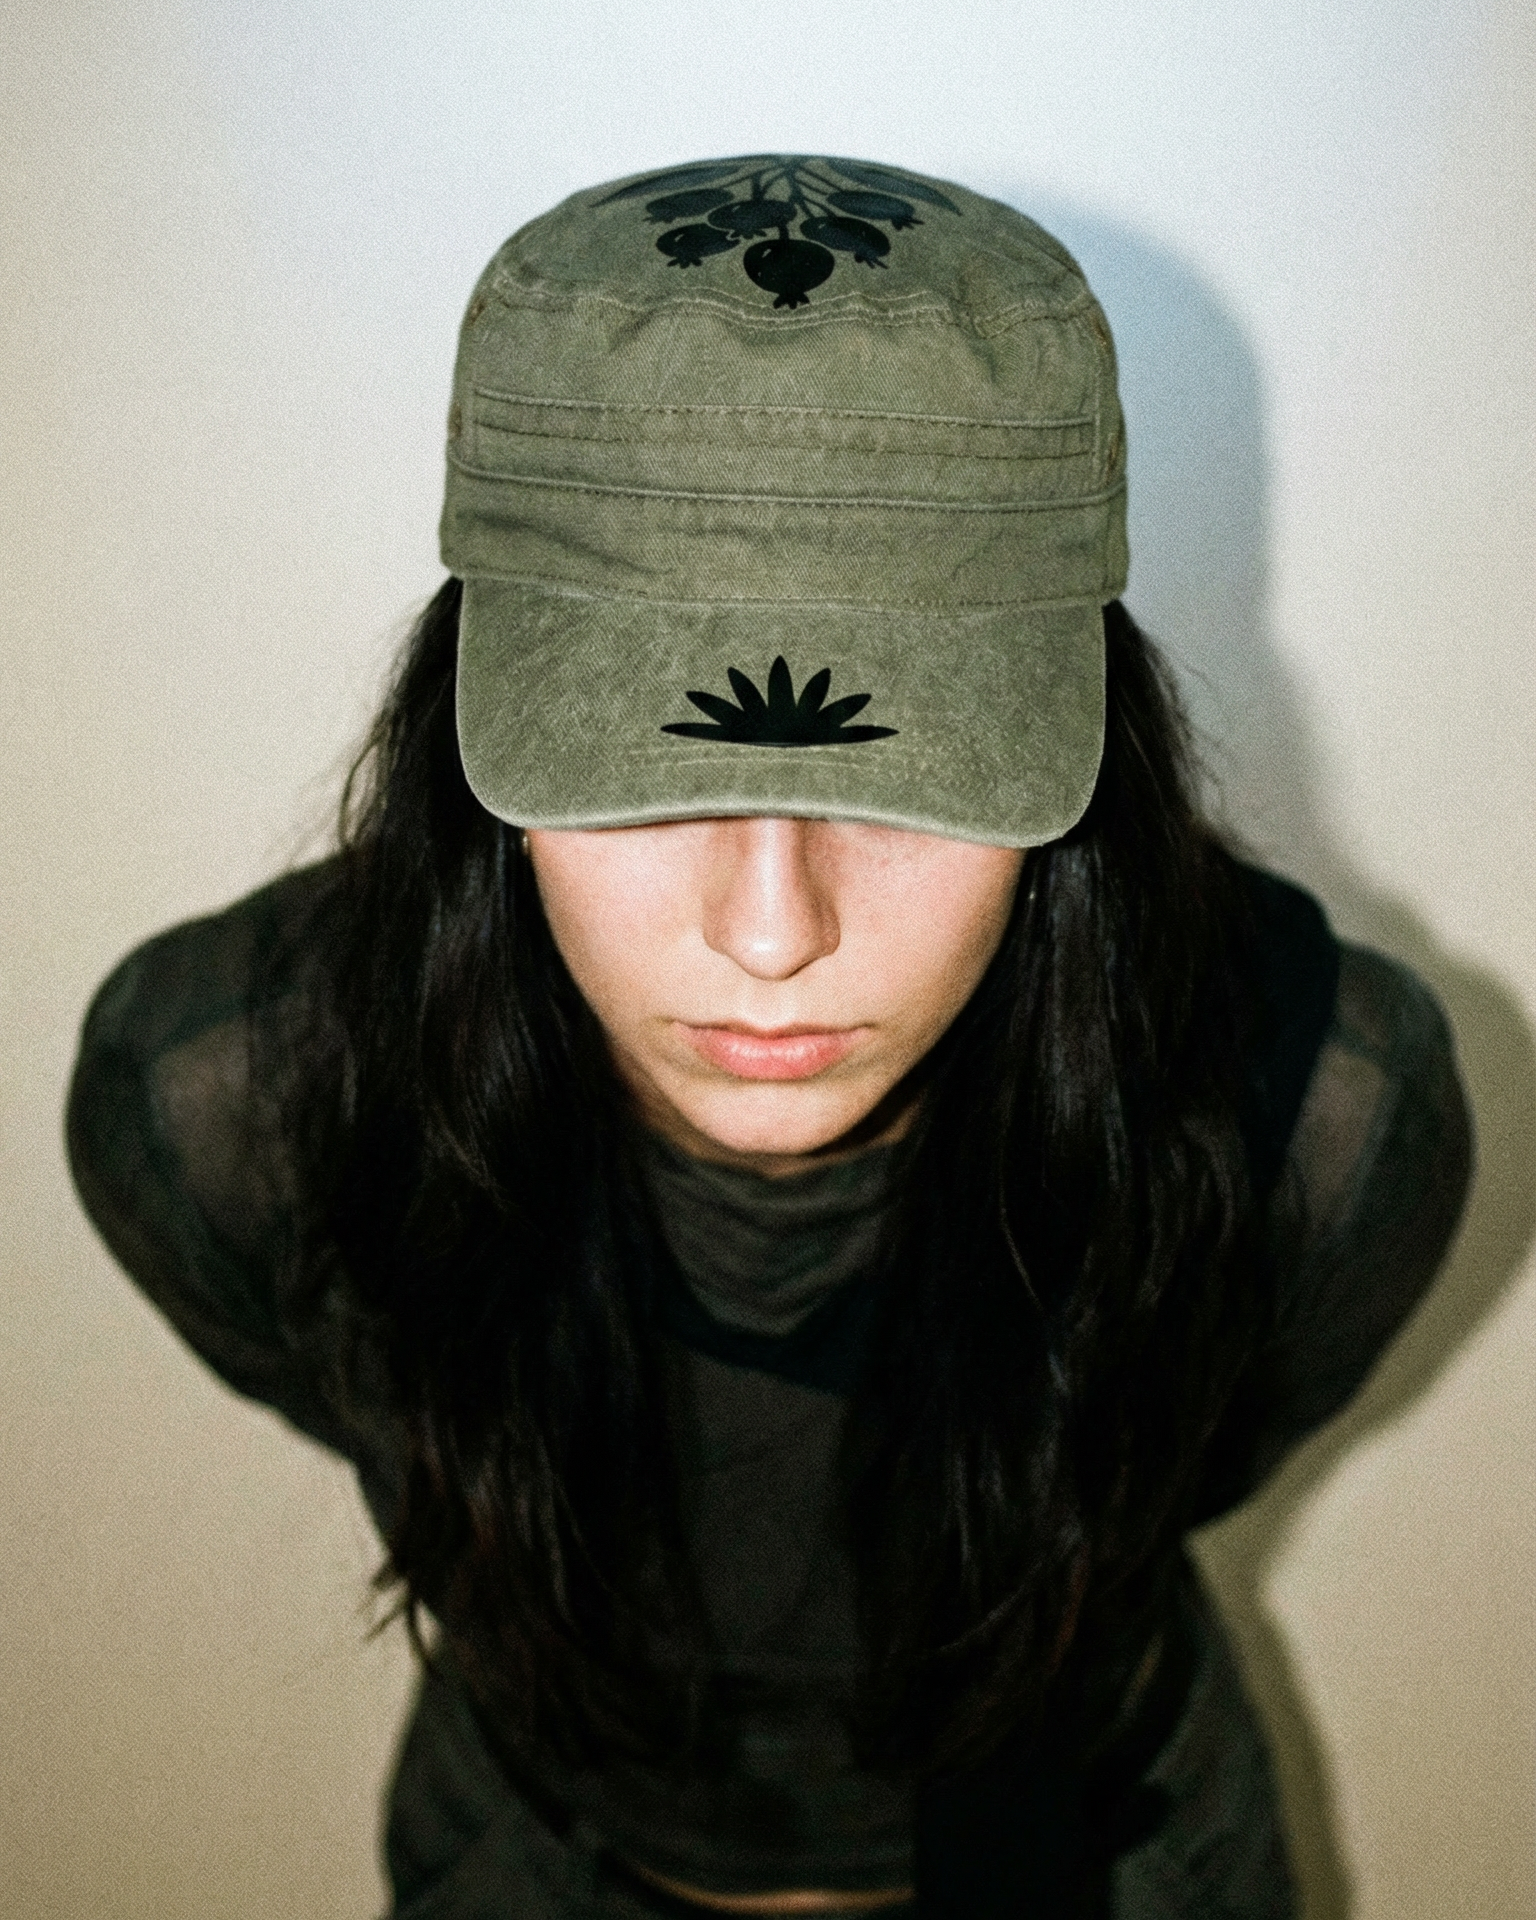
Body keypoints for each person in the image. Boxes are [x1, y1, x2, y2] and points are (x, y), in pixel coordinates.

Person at [66, 156, 1472, 1919]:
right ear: (473, 753)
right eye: (641, 781)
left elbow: (1206, 1440)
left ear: (1083, 760)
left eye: (911, 787)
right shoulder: (233, 1099)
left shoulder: (1320, 1116)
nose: (771, 930)